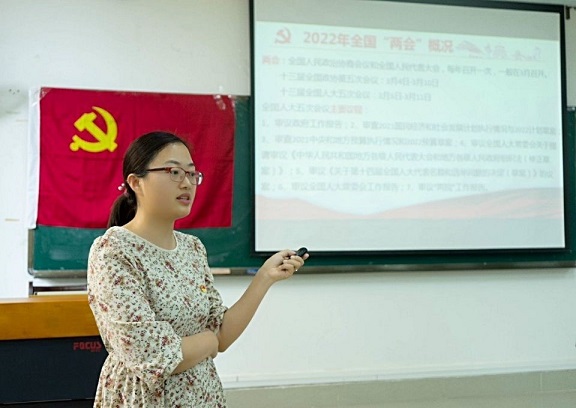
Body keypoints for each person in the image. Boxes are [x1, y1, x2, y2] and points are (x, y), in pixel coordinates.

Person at [87, 131, 307, 407]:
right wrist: (207, 342)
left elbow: (221, 334)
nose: (187, 183)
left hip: (203, 396)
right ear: (135, 182)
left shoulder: (192, 248)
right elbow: (153, 355)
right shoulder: (113, 250)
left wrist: (264, 277)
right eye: (174, 172)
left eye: (192, 174)